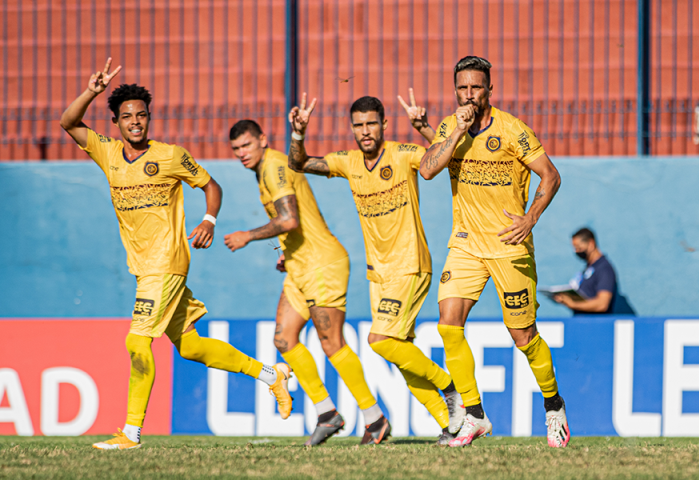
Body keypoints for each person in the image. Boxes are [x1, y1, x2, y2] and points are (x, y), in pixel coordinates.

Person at [59, 58, 292, 450]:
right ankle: (272, 376)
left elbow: (211, 184)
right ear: (115, 121)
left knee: (137, 343)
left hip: (165, 263)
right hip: (143, 267)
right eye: (127, 116)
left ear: (149, 118)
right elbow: (69, 122)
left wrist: (209, 221)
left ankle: (131, 433)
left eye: (142, 115)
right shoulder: (108, 153)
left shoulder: (169, 156)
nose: (136, 122)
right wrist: (92, 91)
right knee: (190, 346)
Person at [286, 93, 465, 446]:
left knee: (379, 341)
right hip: (378, 273)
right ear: (352, 128)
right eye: (358, 125)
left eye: (371, 123)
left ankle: (450, 387)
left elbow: (432, 166)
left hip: (410, 264)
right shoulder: (348, 162)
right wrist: (297, 134)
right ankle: (454, 425)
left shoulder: (402, 153)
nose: (365, 131)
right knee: (400, 353)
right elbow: (300, 163)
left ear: (384, 124)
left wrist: (429, 129)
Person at [419, 56, 569, 448]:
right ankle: (474, 415)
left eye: (476, 87)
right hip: (466, 244)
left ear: (490, 89)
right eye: (462, 88)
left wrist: (530, 217)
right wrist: (456, 134)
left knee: (523, 336)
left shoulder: (512, 131)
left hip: (508, 245)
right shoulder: (451, 126)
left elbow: (550, 175)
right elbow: (427, 169)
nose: (469, 95)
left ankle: (553, 407)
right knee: (448, 325)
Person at [224, 119, 386, 445]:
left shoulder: (272, 167)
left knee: (331, 343)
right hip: (300, 265)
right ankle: (328, 413)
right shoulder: (264, 170)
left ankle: (374, 418)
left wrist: (247, 235)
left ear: (262, 140)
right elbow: (295, 225)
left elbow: (289, 218)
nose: (242, 153)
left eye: (246, 145)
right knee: (284, 339)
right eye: (236, 149)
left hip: (322, 264)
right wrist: (287, 251)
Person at [554, 228, 618, 314]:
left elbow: (602, 304)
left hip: (595, 324)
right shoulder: (588, 268)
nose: (576, 251)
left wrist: (573, 304)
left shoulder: (604, 269)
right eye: (574, 248)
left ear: (591, 243)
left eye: (579, 248)